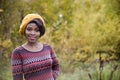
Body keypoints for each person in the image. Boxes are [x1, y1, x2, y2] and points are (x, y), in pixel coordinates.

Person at [11, 13, 60, 80]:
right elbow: (17, 78)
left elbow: (56, 66)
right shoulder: (18, 52)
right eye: (29, 29)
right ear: (24, 30)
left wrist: (53, 77)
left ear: (40, 32)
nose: (32, 33)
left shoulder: (48, 48)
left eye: (36, 30)